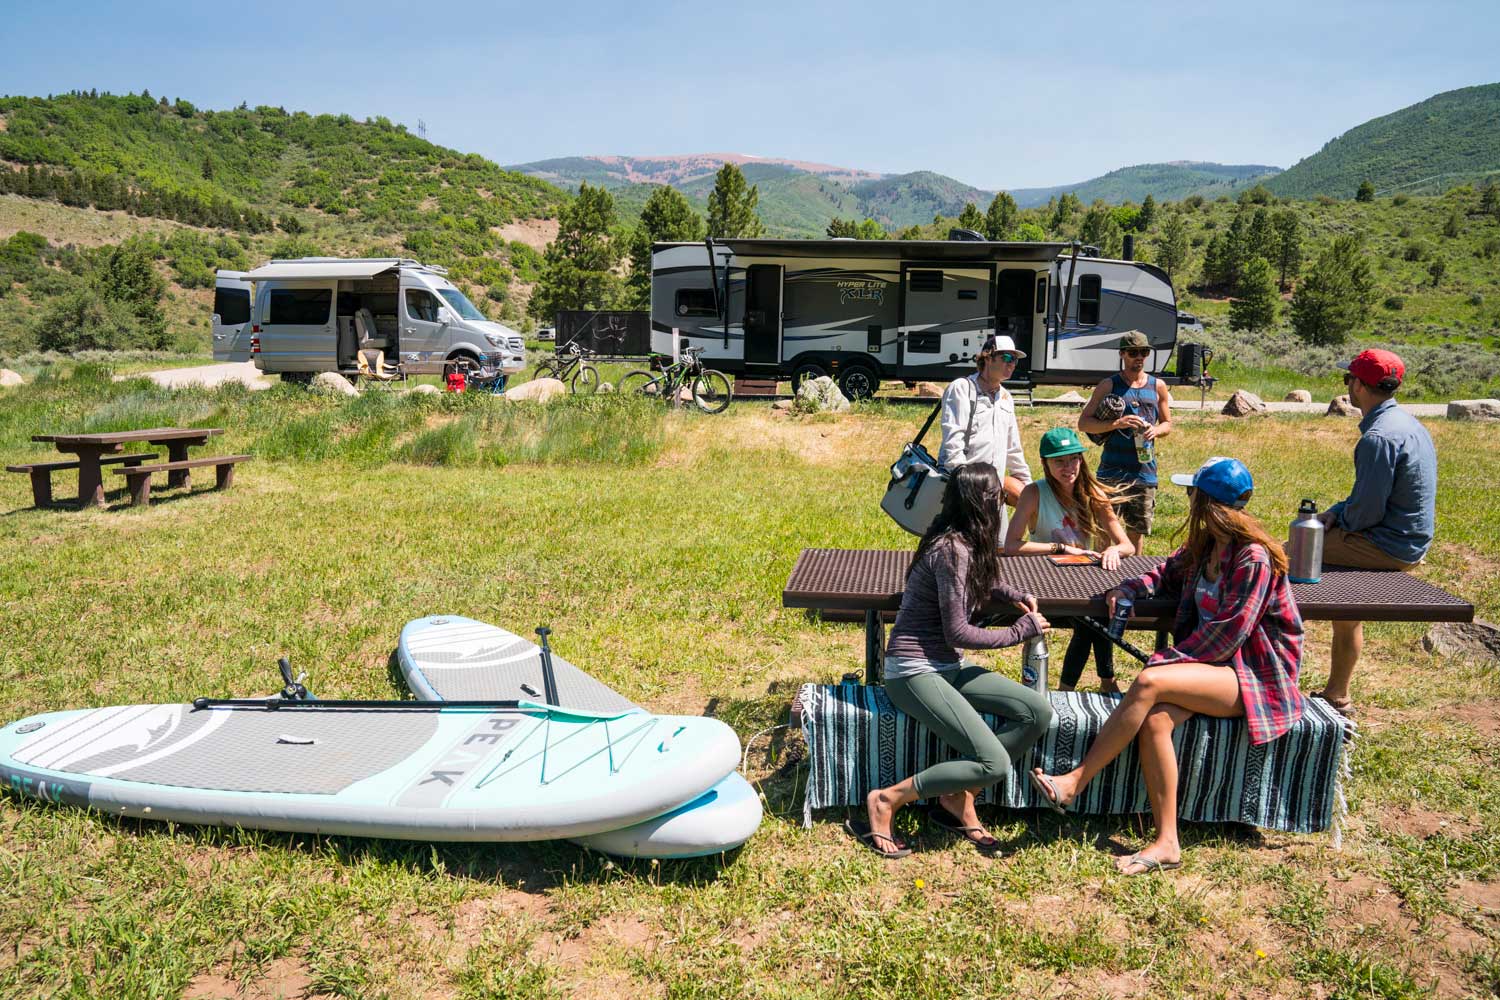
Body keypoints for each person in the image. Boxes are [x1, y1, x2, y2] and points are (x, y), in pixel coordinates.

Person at [1030, 457, 1304, 876]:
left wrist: (1164, 663)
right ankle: (1167, 842)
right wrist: (1127, 589)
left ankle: (1074, 782)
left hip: (1254, 674)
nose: (1188, 499)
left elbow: (1229, 635)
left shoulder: (1253, 558)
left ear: (1204, 502)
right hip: (1214, 670)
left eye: (1192, 493)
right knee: (1156, 719)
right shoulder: (1207, 545)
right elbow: (1162, 573)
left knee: (1150, 681)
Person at [850, 463, 1054, 858]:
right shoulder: (951, 550)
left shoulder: (962, 540)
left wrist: (1011, 593)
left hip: (946, 667)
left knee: (1036, 712)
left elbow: (978, 580)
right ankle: (887, 800)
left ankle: (958, 798)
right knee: (993, 763)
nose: (1005, 501)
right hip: (912, 671)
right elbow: (957, 633)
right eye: (998, 496)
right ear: (982, 503)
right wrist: (1019, 631)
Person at [1313, 349, 1436, 716]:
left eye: (1347, 379)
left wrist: (1334, 523)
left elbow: (1366, 513)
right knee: (1344, 603)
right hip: (1406, 539)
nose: (1347, 386)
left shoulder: (1377, 438)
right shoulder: (1406, 423)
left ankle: (1261, 681)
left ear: (1361, 385)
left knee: (1286, 557)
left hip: (1387, 544)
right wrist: (1336, 514)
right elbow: (1365, 499)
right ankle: (1338, 694)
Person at [1004, 427, 1134, 693]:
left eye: (1073, 459)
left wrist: (1114, 551)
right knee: (1092, 619)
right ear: (1045, 463)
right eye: (1059, 461)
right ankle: (1099, 685)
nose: (1068, 467)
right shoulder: (1033, 493)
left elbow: (1127, 545)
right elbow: (1011, 545)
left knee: (1096, 614)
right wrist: (1060, 547)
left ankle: (1072, 690)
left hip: (1083, 581)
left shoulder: (1093, 492)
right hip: (1043, 581)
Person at [1077, 331, 1173, 552]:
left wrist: (1155, 431)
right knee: (1103, 530)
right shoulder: (1108, 385)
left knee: (1136, 533)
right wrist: (1116, 423)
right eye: (1133, 352)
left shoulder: (1157, 385)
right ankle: (1097, 581)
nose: (1139, 357)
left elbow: (1168, 423)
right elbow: (1084, 424)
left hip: (1143, 472)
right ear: (1122, 354)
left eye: (1144, 352)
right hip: (1111, 471)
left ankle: (1133, 582)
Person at [938, 334, 1032, 534]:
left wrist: (1030, 487)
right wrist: (965, 484)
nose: (1012, 364)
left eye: (1015, 360)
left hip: (994, 491)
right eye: (1007, 358)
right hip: (964, 490)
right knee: (962, 550)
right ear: (988, 358)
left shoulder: (1006, 397)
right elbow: (952, 442)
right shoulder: (962, 388)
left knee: (1000, 548)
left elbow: (1013, 448)